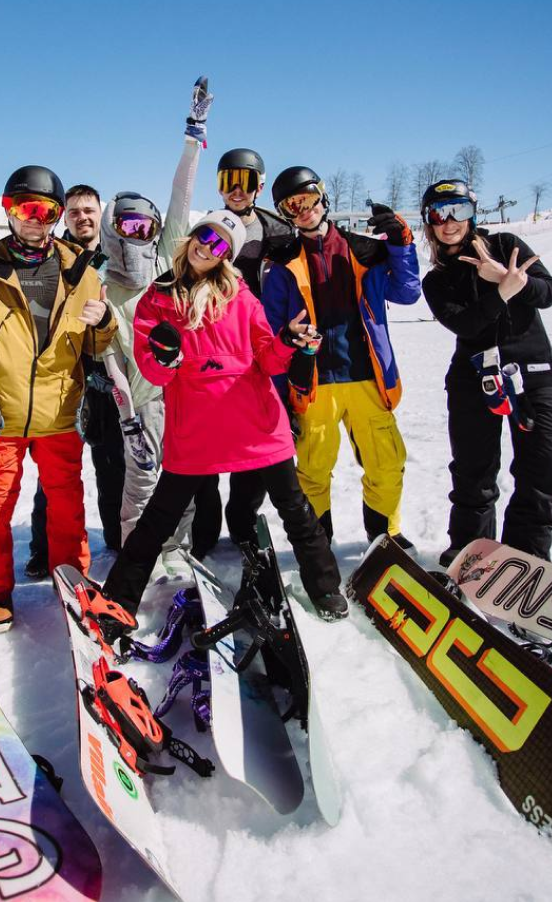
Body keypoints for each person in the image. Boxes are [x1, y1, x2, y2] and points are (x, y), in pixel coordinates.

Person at [103, 210, 346, 624]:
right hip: (196, 430)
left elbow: (269, 361)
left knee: (295, 510)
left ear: (225, 257)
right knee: (158, 520)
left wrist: (287, 341)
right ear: (191, 236)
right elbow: (154, 373)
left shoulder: (242, 297)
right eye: (204, 235)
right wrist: (166, 357)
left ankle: (325, 588)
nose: (206, 247)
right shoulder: (157, 299)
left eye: (219, 245)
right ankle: (119, 601)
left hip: (257, 425)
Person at [0, 165, 118, 632]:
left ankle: (73, 583)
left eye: (45, 212)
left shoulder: (80, 269)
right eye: (25, 210)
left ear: (56, 216)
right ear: (9, 212)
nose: (35, 221)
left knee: (67, 505)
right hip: (1, 413)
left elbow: (96, 343)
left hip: (59, 410)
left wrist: (104, 322)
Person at [262, 167, 420, 547]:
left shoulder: (364, 250)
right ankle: (317, 544)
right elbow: (272, 333)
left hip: (366, 376)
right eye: (291, 205)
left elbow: (407, 292)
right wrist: (279, 398)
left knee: (386, 462)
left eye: (308, 198)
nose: (303, 210)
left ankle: (385, 537)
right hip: (312, 382)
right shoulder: (282, 263)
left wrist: (400, 244)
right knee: (313, 469)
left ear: (323, 196)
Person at [420, 178, 552, 568]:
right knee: (474, 475)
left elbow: (549, 292)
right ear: (429, 222)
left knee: (545, 471)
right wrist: (502, 291)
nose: (450, 222)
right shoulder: (436, 280)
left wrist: (509, 277)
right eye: (439, 214)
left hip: (534, 372)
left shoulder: (506, 246)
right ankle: (470, 556)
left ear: (472, 213)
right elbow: (465, 325)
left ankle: (525, 560)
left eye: (459, 210)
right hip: (474, 378)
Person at [98, 83, 209, 564]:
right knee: (141, 483)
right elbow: (109, 356)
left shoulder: (167, 261)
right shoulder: (103, 284)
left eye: (146, 226)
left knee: (181, 482)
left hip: (181, 395)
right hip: (140, 403)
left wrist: (193, 137)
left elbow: (181, 196)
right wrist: (127, 421)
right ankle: (135, 562)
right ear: (113, 229)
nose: (138, 234)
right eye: (128, 226)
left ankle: (176, 558)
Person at [191, 147, 298, 556]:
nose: (236, 190)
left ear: (260, 186)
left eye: (246, 182)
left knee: (256, 441)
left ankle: (242, 519)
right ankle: (205, 525)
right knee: (205, 441)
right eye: (227, 181)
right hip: (216, 349)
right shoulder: (207, 229)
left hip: (265, 347)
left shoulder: (279, 232)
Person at [24, 183, 126, 578]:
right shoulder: (53, 256)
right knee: (55, 472)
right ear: (64, 216)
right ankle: (44, 548)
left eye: (88, 210)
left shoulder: (117, 253)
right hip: (64, 373)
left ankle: (117, 539)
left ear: (100, 213)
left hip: (107, 369)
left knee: (113, 463)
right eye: (74, 212)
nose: (82, 217)